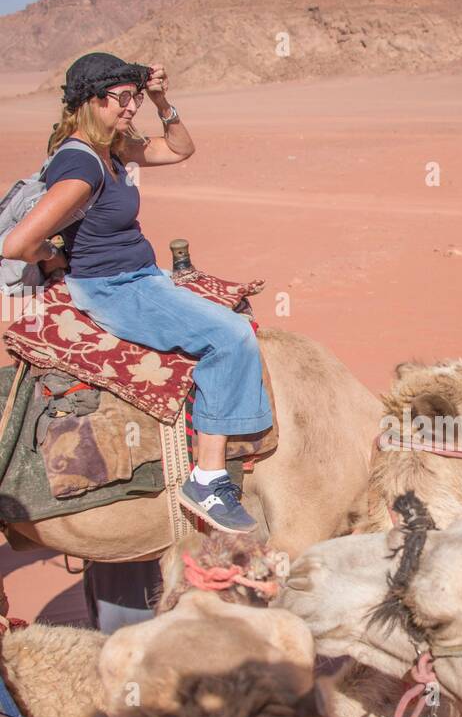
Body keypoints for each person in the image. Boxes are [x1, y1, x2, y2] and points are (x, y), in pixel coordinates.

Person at [2, 51, 271, 534]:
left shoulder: (112, 147)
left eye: (136, 98)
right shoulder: (81, 167)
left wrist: (163, 99)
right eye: (123, 99)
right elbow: (18, 242)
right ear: (92, 101)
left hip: (142, 276)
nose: (132, 107)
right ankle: (207, 480)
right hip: (113, 289)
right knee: (229, 338)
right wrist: (51, 257)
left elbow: (180, 148)